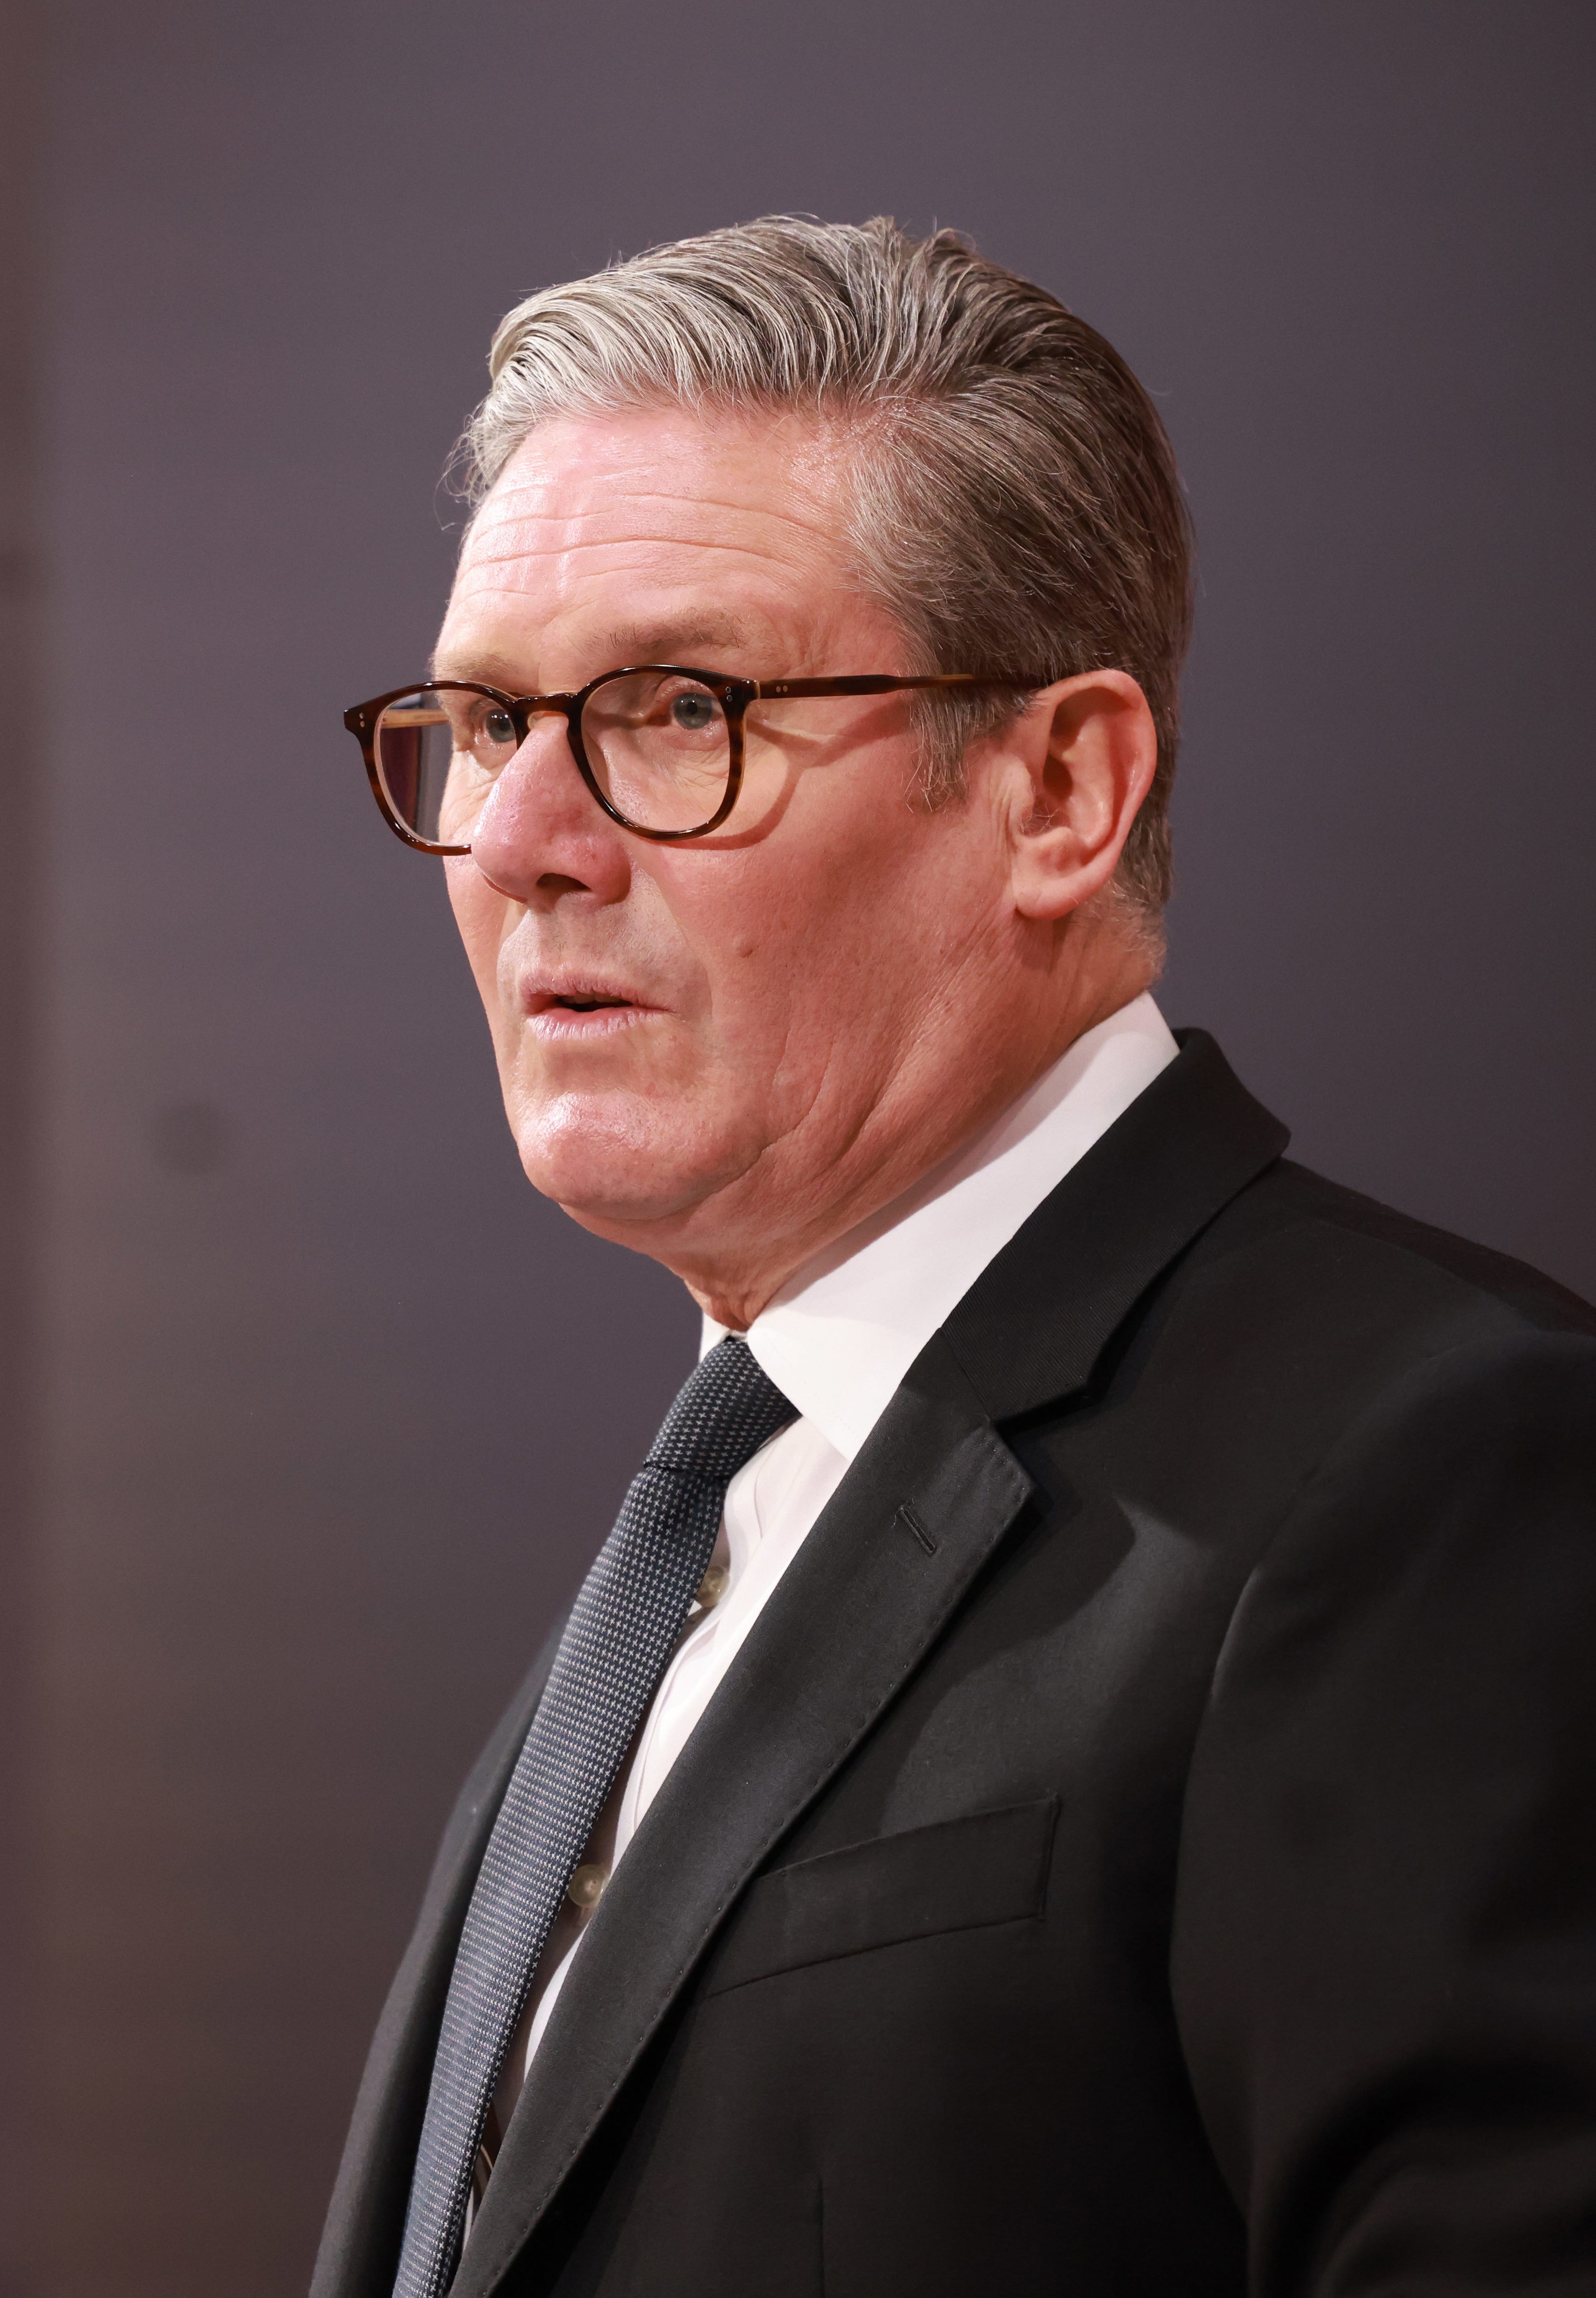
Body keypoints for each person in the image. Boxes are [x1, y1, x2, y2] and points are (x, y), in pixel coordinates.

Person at [310, 215, 1596, 2298]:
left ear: (1059, 790)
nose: (530, 842)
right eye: (482, 725)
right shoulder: (716, 1516)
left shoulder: (1439, 1474)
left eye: (675, 710)